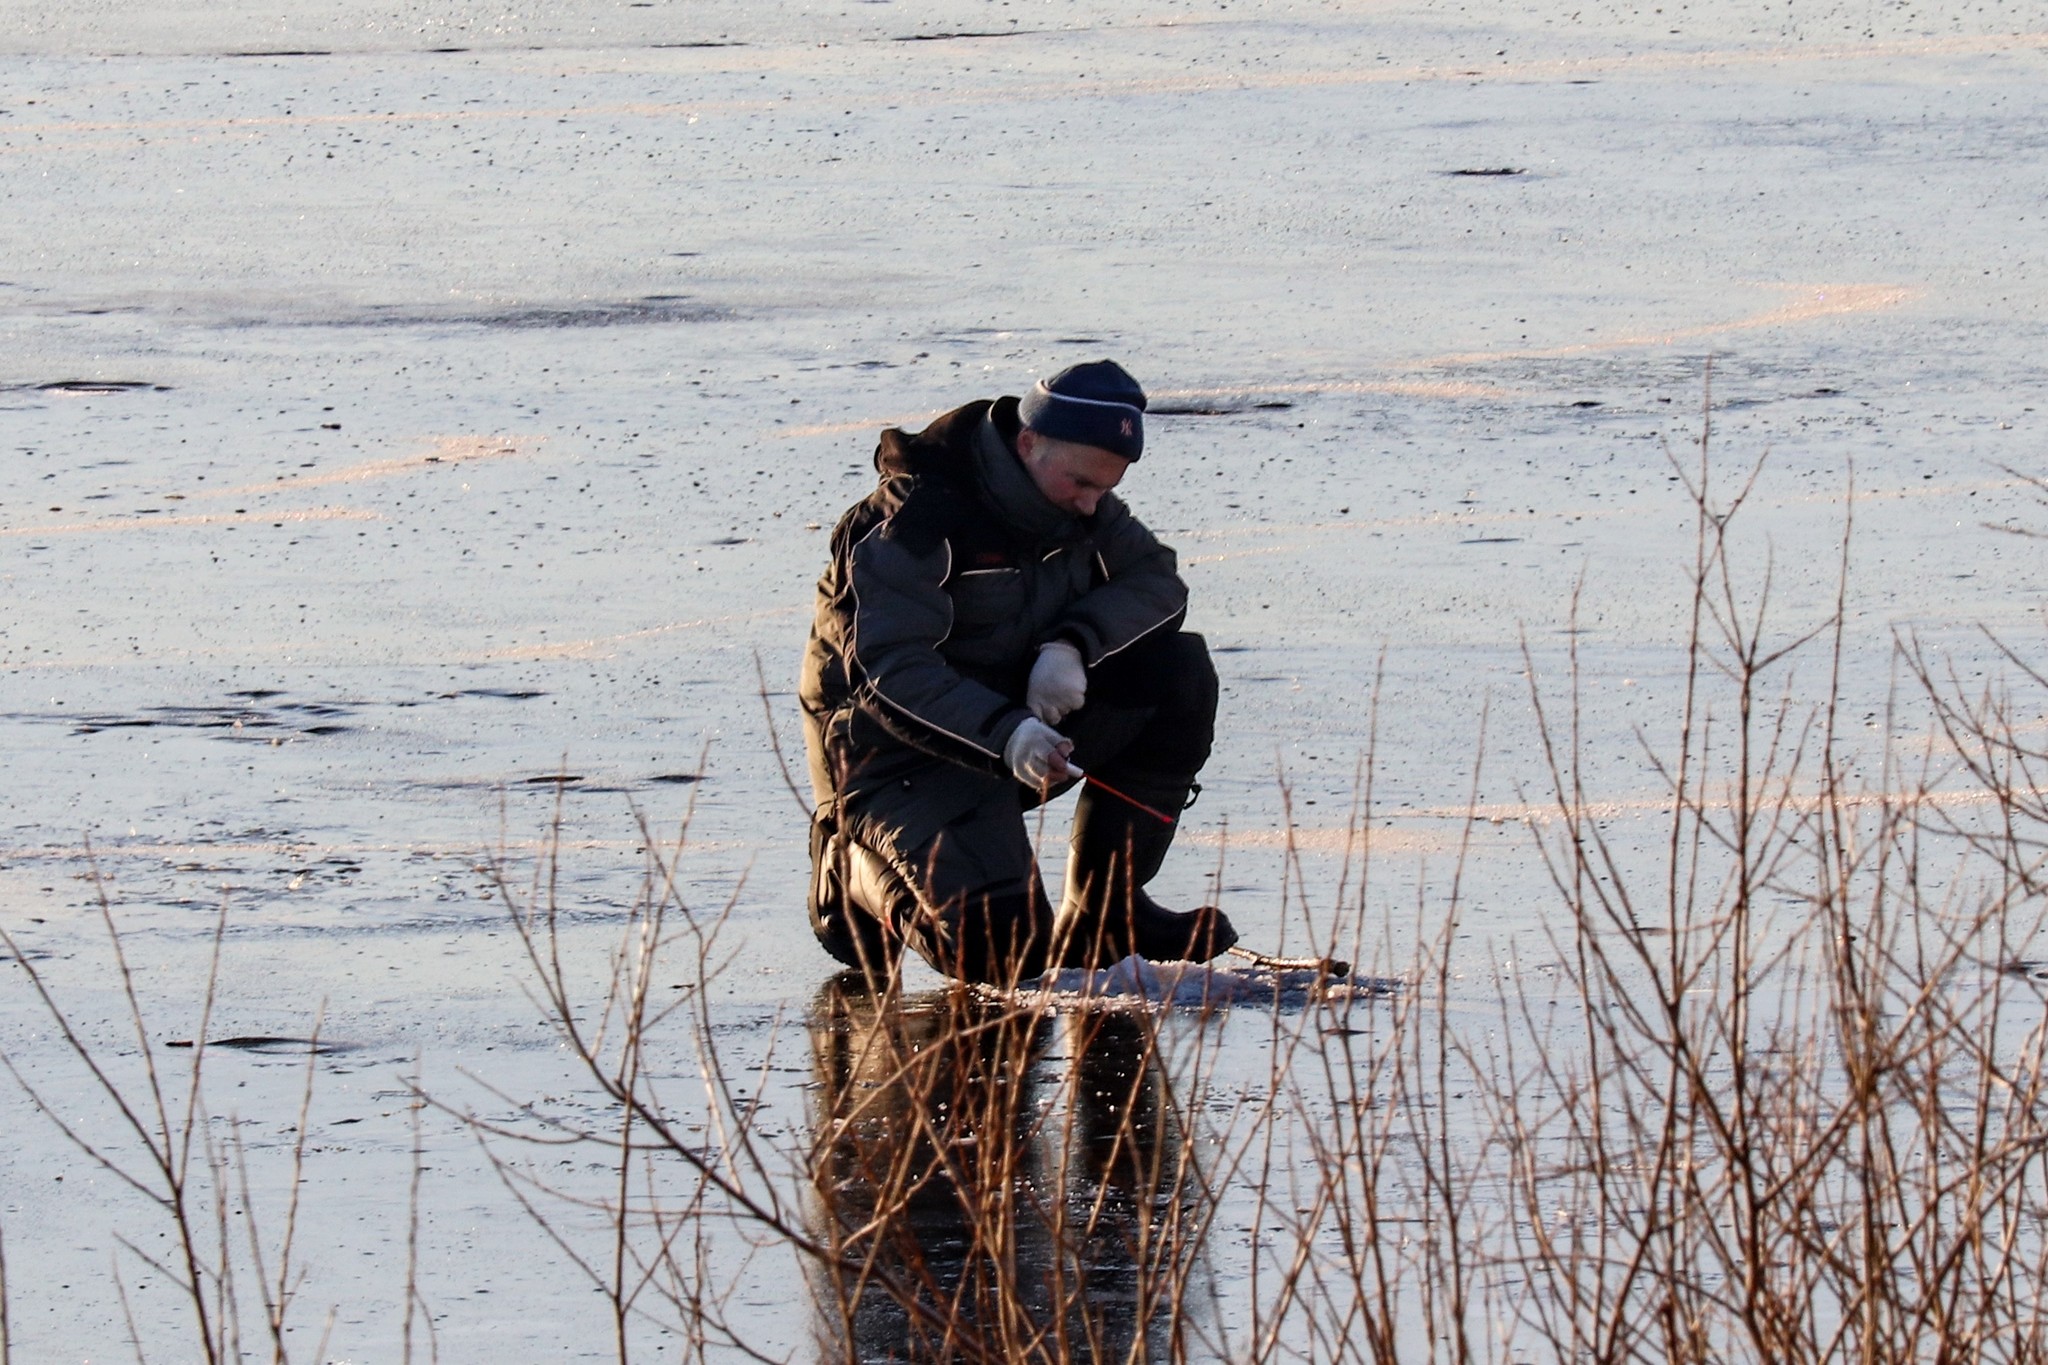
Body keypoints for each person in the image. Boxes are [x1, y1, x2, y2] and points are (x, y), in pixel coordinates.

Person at [799, 359, 1238, 984]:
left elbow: (1156, 581)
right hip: (890, 759)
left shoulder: (1076, 500)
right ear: (1028, 443)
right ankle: (850, 862)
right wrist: (1007, 731)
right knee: (1004, 956)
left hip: (1014, 730)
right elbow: (886, 675)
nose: (1092, 506)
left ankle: (1106, 911)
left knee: (1176, 672)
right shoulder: (911, 524)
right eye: (1081, 484)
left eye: (1104, 490)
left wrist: (1071, 644)